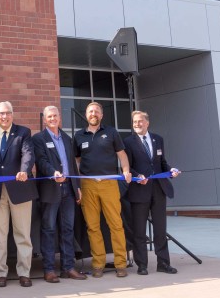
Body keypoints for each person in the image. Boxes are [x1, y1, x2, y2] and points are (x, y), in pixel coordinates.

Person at [0, 101, 37, 288]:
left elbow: (28, 154)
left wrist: (24, 170)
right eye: (0, 114)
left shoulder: (23, 132)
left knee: (22, 234)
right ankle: (0, 273)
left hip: (19, 189)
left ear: (12, 114)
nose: (4, 117)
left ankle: (24, 272)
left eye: (7, 113)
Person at [74, 101, 133, 278]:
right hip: (88, 185)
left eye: (97, 111)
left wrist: (126, 171)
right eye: (91, 111)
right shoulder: (79, 136)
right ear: (86, 115)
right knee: (92, 227)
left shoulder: (111, 132)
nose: (94, 114)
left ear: (101, 115)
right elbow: (76, 161)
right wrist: (77, 184)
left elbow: (121, 154)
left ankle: (121, 264)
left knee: (115, 224)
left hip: (109, 183)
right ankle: (98, 264)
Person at [32, 106, 87, 283]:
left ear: (59, 118)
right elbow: (41, 161)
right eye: (49, 116)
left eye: (55, 115)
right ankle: (49, 270)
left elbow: (72, 164)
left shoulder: (66, 138)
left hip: (68, 191)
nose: (53, 118)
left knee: (68, 229)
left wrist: (77, 186)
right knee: (48, 229)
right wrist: (53, 172)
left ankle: (68, 268)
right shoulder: (38, 139)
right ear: (45, 119)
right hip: (50, 189)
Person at [124, 110, 179, 275]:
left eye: (140, 121)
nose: (137, 125)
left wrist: (171, 170)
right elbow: (127, 167)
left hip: (158, 189)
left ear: (147, 123)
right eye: (134, 122)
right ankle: (142, 265)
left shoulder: (158, 139)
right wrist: (136, 175)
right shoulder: (128, 142)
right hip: (139, 190)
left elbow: (162, 163)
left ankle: (163, 263)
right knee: (139, 230)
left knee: (160, 229)